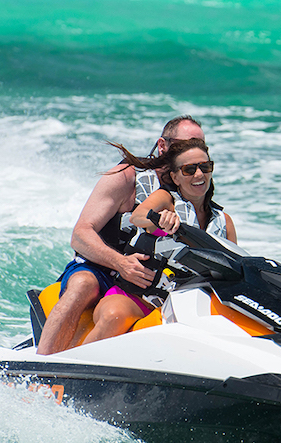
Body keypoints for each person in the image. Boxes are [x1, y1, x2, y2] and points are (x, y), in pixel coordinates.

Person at [36, 116, 205, 355]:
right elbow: (81, 234)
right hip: (102, 269)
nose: (192, 152)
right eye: (185, 144)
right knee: (83, 285)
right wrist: (121, 263)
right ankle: (41, 369)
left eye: (199, 145)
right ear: (162, 145)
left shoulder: (191, 185)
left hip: (152, 283)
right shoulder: (126, 176)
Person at [81, 138, 236, 345]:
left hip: (192, 303)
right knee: (113, 317)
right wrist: (161, 218)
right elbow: (139, 216)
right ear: (175, 177)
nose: (199, 174)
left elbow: (235, 267)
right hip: (139, 297)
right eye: (189, 169)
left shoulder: (224, 222)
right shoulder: (167, 199)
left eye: (205, 167)